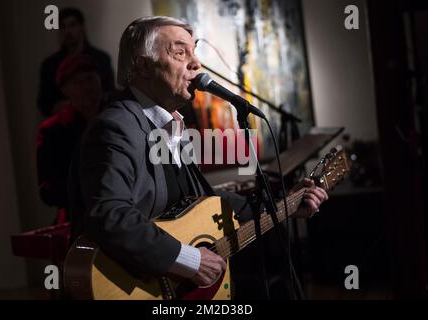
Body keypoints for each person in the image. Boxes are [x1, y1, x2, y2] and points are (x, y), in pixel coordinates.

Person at [69, 16, 328, 289]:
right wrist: (190, 260)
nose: (196, 64)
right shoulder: (115, 126)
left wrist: (283, 204)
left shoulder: (170, 126)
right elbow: (109, 213)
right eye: (180, 53)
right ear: (143, 66)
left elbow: (201, 201)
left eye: (194, 52)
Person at [37, 54, 103, 223]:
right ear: (65, 90)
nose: (87, 87)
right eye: (79, 82)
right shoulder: (53, 131)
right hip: (78, 220)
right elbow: (48, 191)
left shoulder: (119, 115)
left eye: (90, 78)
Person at [37, 7, 114, 117]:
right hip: (66, 126)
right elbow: (44, 104)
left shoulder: (101, 59)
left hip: (99, 122)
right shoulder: (49, 65)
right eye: (63, 26)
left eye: (72, 25)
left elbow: (110, 93)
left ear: (82, 27)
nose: (68, 31)